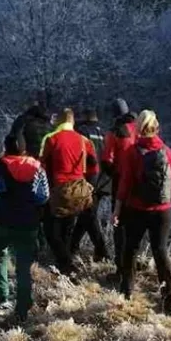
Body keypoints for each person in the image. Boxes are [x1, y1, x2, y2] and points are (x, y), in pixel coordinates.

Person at [112, 110, 171, 314]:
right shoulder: (167, 151)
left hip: (137, 209)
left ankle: (127, 291)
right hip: (162, 210)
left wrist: (117, 209)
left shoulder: (133, 152)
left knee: (131, 249)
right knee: (160, 252)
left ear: (138, 129)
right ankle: (170, 300)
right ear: (157, 127)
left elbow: (125, 183)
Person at [0, 135, 50, 322]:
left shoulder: (1, 166)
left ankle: (3, 298)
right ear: (24, 148)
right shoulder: (37, 167)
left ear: (6, 148)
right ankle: (22, 308)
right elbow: (44, 196)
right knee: (23, 266)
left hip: (3, 221)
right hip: (28, 223)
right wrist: (29, 203)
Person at [40, 108, 99, 275]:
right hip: (79, 190)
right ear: (73, 122)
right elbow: (94, 167)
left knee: (51, 230)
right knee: (68, 228)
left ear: (58, 121)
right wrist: (89, 186)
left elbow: (41, 167)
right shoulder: (84, 140)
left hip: (58, 190)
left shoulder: (51, 139)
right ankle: (64, 264)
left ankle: (66, 264)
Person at [101, 99, 138, 275]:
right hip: (140, 183)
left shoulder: (114, 133)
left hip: (121, 183)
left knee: (119, 225)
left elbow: (107, 160)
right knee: (135, 226)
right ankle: (133, 265)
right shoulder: (140, 129)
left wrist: (112, 174)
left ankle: (121, 268)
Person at [70, 109, 111, 263]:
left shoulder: (82, 132)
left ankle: (103, 252)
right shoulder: (103, 133)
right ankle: (72, 246)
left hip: (89, 179)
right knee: (86, 215)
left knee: (89, 216)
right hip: (103, 181)